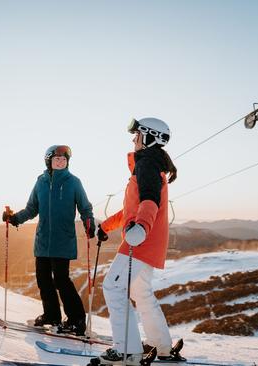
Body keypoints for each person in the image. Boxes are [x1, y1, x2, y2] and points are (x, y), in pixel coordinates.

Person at [96, 117, 178, 365]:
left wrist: (141, 227)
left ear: (150, 137)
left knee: (112, 287)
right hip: (147, 240)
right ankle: (160, 345)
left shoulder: (148, 164)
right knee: (140, 291)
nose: (133, 139)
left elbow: (150, 201)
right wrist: (105, 226)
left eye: (137, 134)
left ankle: (127, 351)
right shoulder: (148, 165)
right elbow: (130, 211)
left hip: (141, 242)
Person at [2, 145, 95, 336]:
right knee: (43, 280)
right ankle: (51, 315)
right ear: (49, 162)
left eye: (63, 159)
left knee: (62, 281)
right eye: (56, 159)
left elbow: (85, 208)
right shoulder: (41, 182)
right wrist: (14, 219)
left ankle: (76, 320)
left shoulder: (74, 182)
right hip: (43, 241)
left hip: (63, 240)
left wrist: (89, 223)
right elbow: (31, 208)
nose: (60, 162)